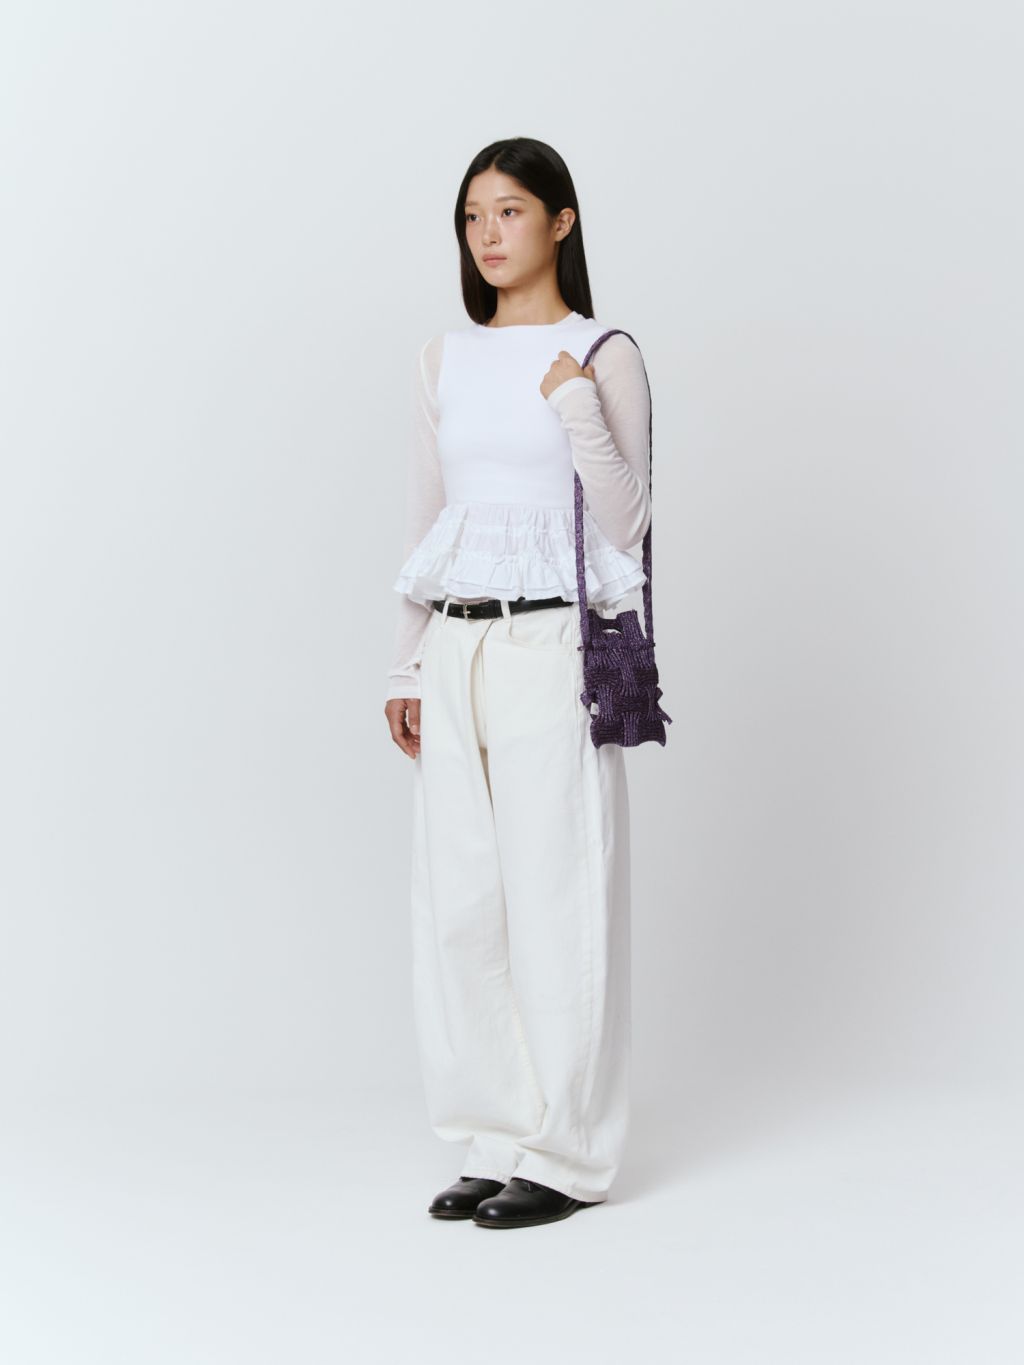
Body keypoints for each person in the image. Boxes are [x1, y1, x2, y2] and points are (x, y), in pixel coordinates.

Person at [383, 137, 653, 1229]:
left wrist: (576, 404)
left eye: (508, 211)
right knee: (460, 900)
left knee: (557, 892)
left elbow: (629, 522)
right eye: (472, 217)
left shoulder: (602, 353)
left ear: (560, 221)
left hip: (553, 644)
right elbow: (427, 514)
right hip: (456, 644)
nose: (487, 235)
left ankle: (566, 1153)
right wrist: (404, 662)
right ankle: (492, 1135)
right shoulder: (443, 359)